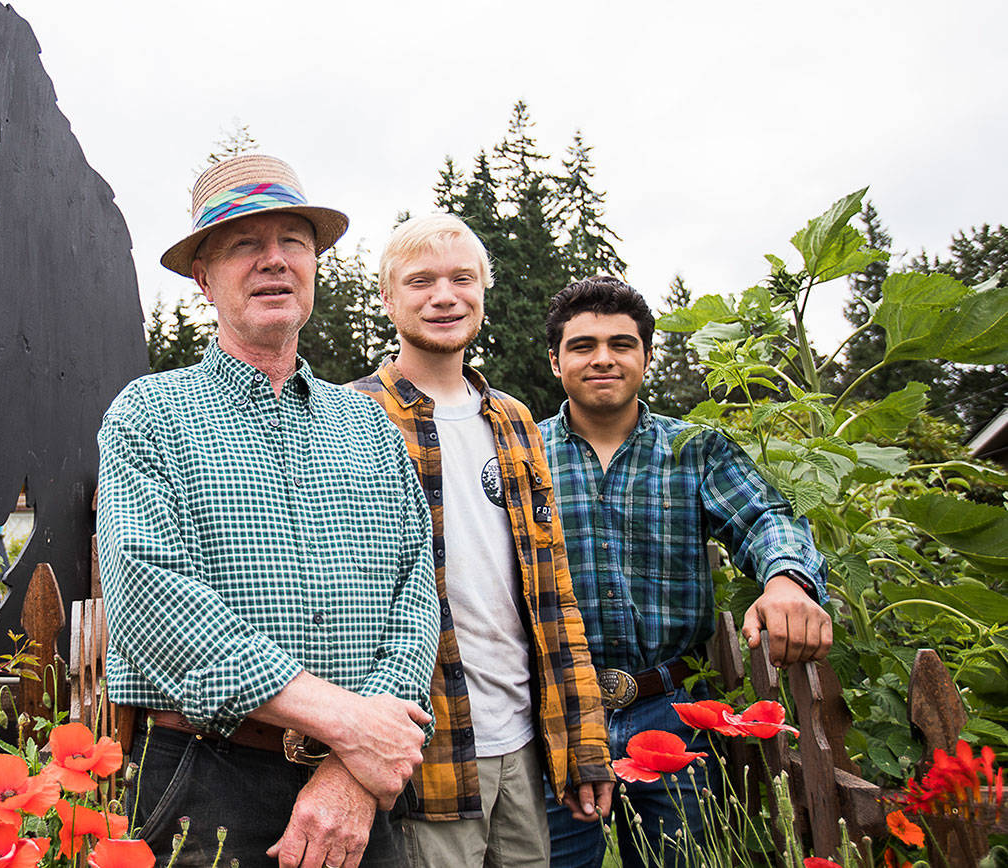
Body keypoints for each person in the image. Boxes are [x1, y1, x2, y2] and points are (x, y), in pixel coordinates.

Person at [96, 154, 440, 868]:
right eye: (245, 244)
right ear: (204, 278)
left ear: (315, 266)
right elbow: (145, 597)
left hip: (358, 787)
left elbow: (416, 595)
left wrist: (351, 765)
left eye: (293, 242)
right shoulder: (149, 414)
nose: (274, 260)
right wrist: (345, 720)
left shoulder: (370, 425)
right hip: (206, 779)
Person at [538, 275, 833, 868]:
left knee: (683, 858)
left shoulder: (695, 449)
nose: (603, 358)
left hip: (671, 706)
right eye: (583, 344)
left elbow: (764, 517)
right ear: (555, 360)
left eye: (622, 344)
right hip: (554, 710)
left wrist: (785, 581)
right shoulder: (518, 453)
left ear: (647, 356)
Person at [350, 215, 612, 867]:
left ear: (483, 292)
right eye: (421, 281)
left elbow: (556, 595)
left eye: (462, 278)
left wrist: (584, 744)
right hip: (427, 753)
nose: (444, 295)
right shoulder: (349, 416)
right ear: (387, 298)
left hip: (525, 745)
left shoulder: (517, 422)